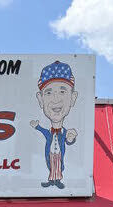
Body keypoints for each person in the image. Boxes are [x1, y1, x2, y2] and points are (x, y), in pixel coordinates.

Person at [29, 60, 79, 189]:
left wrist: (71, 138)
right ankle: (52, 181)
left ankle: (58, 181)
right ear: (40, 99)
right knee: (51, 166)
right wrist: (36, 126)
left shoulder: (64, 132)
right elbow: (43, 131)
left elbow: (68, 140)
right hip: (51, 154)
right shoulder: (49, 132)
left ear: (73, 98)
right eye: (49, 92)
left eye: (62, 91)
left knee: (58, 166)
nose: (55, 99)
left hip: (58, 154)